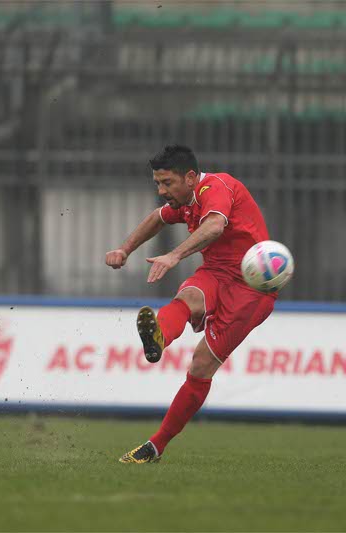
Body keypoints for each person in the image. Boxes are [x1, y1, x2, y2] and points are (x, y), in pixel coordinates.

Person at [105, 144, 277, 463]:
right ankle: (159, 338)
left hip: (251, 288)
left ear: (190, 177)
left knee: (200, 365)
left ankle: (157, 445)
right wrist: (125, 249)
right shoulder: (184, 203)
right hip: (216, 271)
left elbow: (215, 225)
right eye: (157, 183)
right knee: (188, 297)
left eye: (167, 183)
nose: (161, 191)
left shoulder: (216, 187)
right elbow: (157, 218)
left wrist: (173, 255)